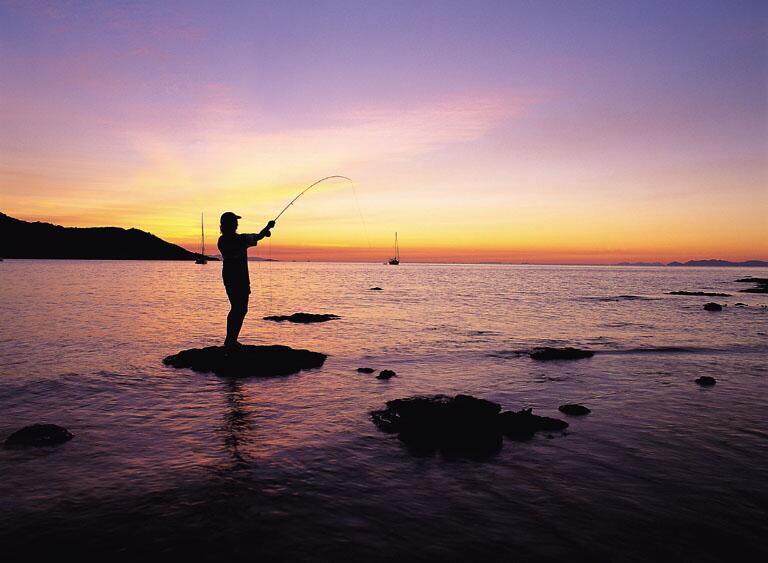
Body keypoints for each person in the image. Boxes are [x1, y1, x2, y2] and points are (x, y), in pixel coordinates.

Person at [217, 212, 275, 348]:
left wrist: (264, 232)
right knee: (240, 308)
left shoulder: (222, 240)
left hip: (229, 275)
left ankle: (230, 340)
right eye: (235, 221)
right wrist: (268, 227)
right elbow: (258, 236)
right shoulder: (239, 239)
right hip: (239, 277)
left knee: (237, 308)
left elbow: (258, 236)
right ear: (231, 224)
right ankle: (231, 341)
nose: (237, 224)